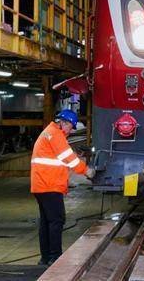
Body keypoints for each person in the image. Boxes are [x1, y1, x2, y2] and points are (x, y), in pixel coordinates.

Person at [30, 109, 95, 265]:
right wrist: (87, 171)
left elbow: (59, 157)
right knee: (56, 221)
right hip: (49, 185)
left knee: (46, 222)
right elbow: (69, 159)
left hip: (41, 184)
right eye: (70, 127)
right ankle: (55, 257)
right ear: (63, 123)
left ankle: (45, 258)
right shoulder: (56, 134)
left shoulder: (49, 132)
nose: (70, 131)